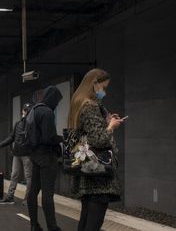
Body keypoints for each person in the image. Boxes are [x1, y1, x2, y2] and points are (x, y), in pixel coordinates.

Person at [68, 68, 123, 231]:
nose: (104, 91)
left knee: (86, 219)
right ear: (94, 84)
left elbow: (87, 133)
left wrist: (106, 121)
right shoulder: (89, 106)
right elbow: (98, 139)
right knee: (93, 223)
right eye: (103, 87)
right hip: (97, 174)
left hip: (87, 171)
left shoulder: (78, 103)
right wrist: (111, 127)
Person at [27, 85, 63, 231]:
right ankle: (52, 227)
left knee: (32, 192)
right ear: (53, 99)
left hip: (35, 155)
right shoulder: (47, 112)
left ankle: (34, 225)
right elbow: (49, 137)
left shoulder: (35, 109)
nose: (57, 104)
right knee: (48, 194)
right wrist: (62, 138)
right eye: (57, 101)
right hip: (47, 157)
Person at [0, 103, 33, 205]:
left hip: (27, 154)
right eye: (25, 110)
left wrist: (26, 119)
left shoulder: (32, 124)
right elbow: (11, 137)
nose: (26, 112)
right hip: (17, 153)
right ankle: (10, 196)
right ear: (22, 111)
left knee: (28, 177)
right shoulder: (17, 123)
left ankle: (28, 199)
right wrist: (1, 145)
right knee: (14, 175)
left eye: (28, 110)